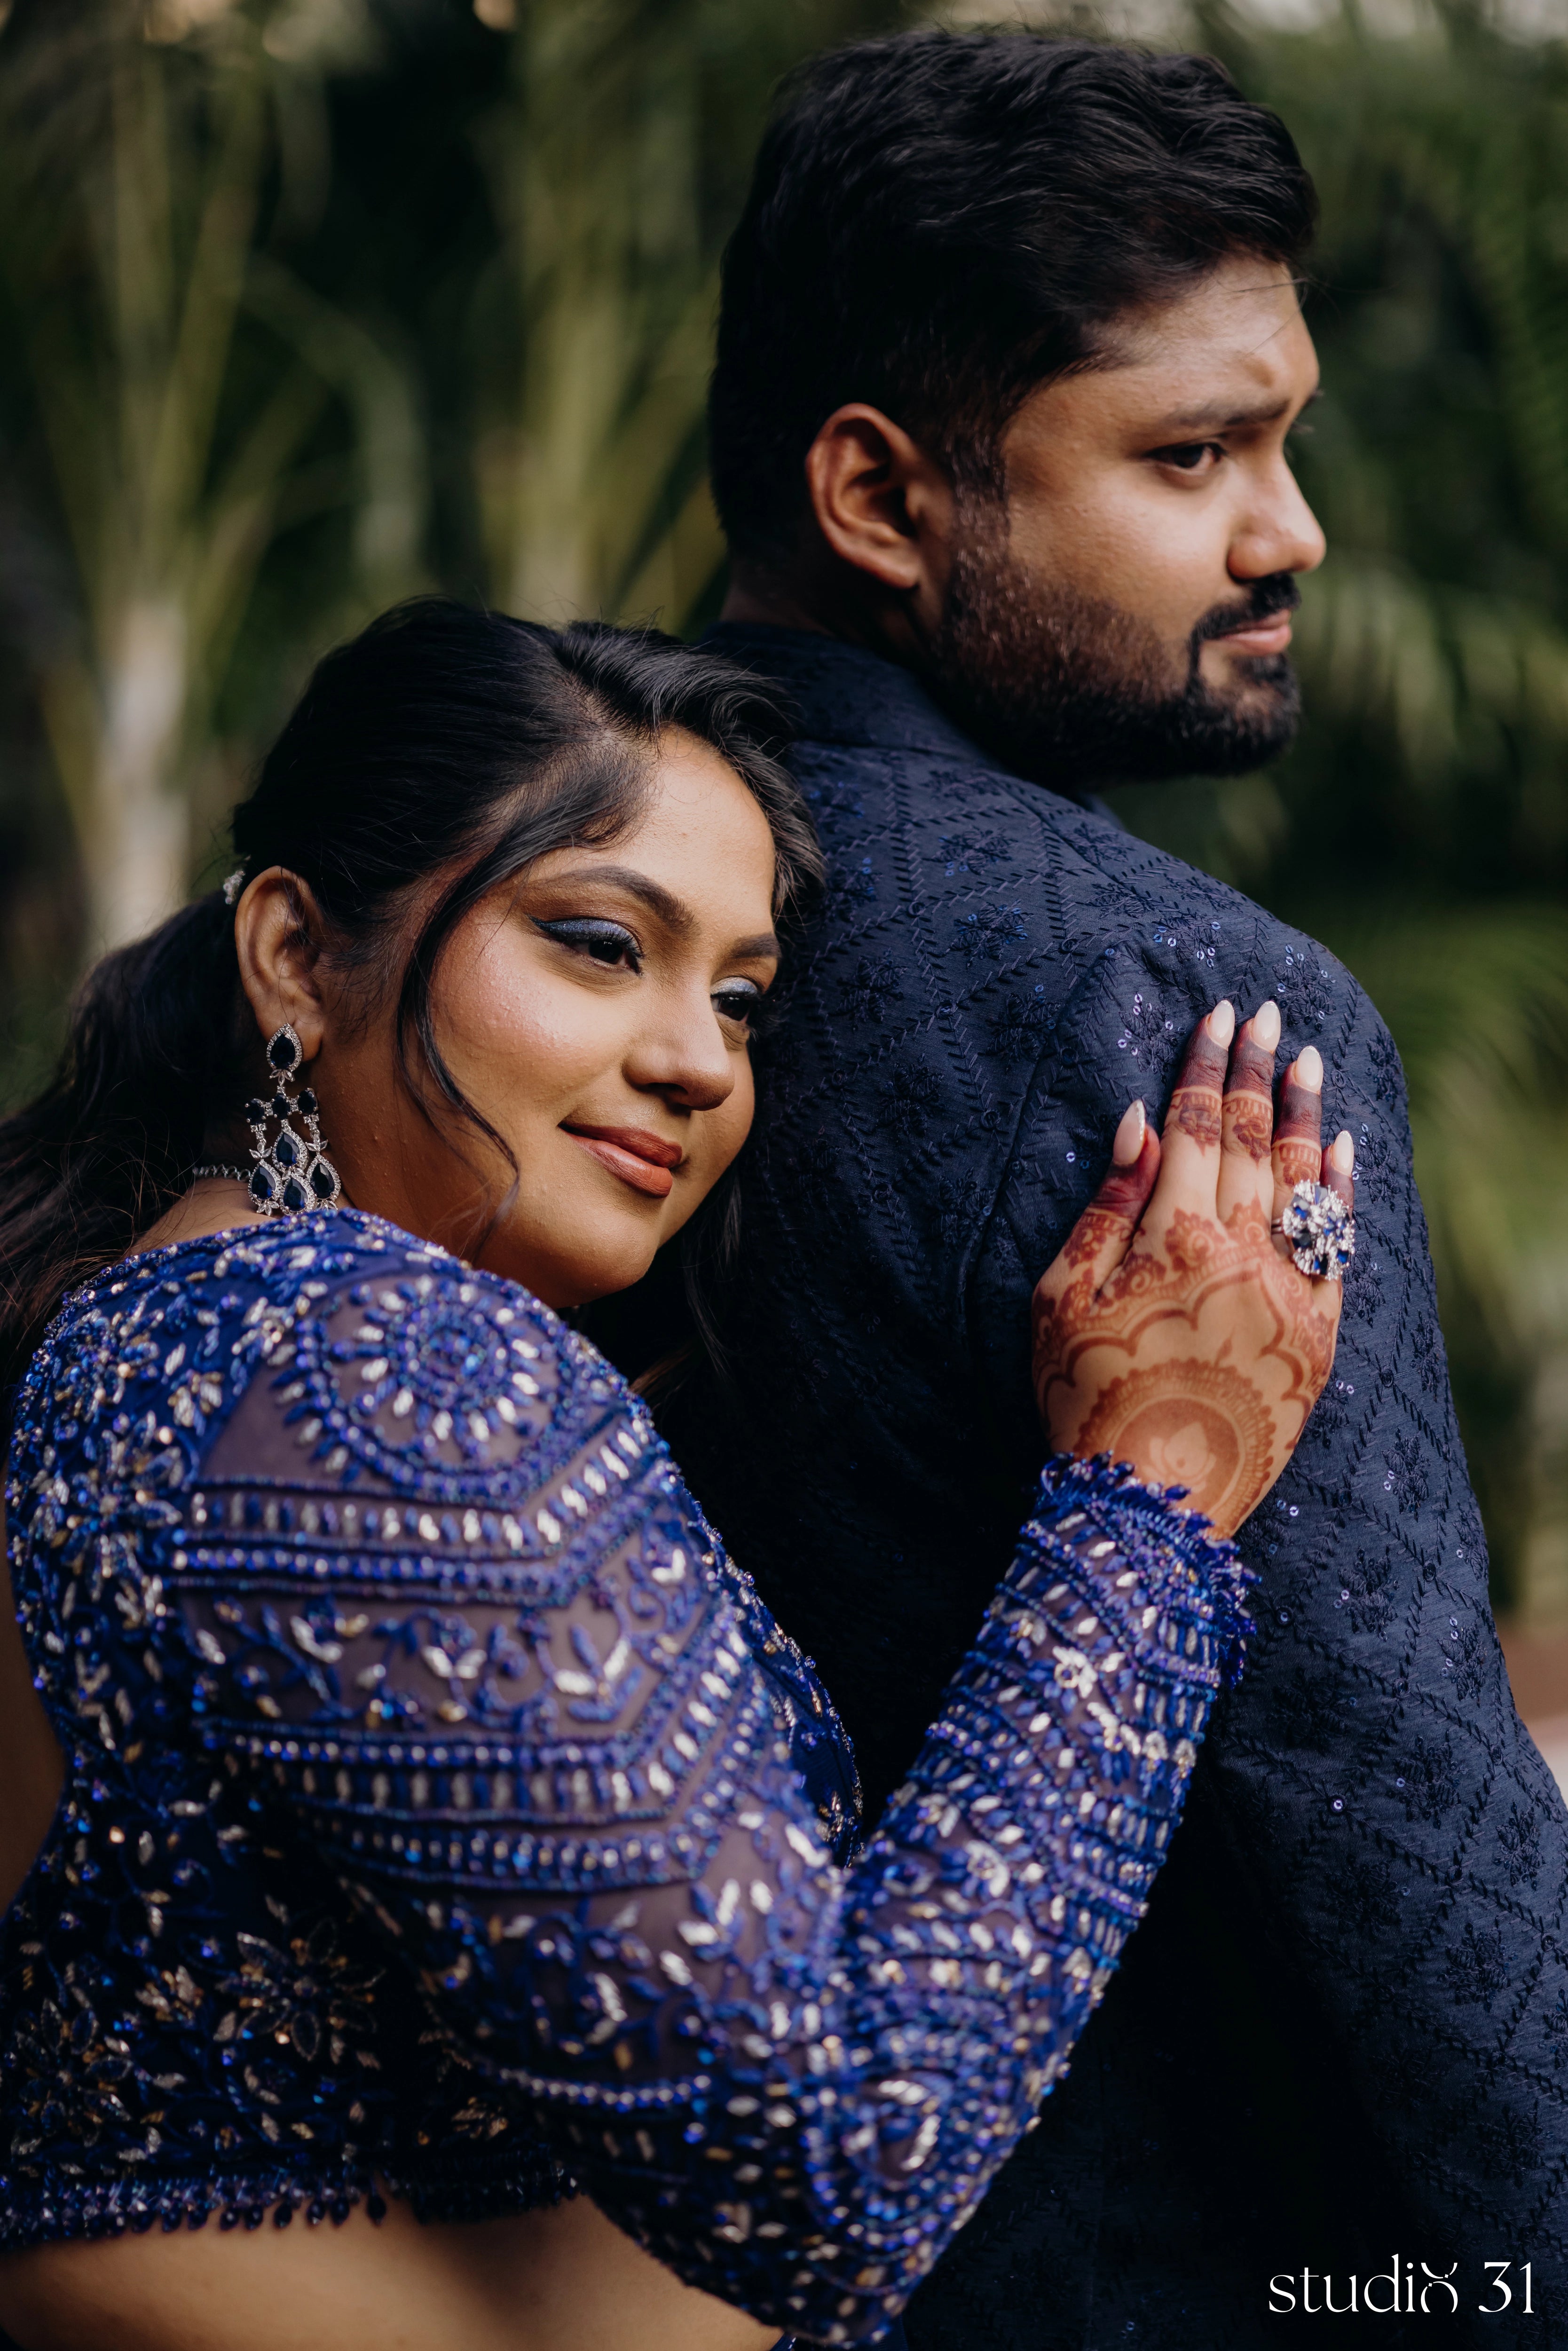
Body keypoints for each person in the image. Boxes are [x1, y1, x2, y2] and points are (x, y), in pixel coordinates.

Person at [0, 601, 1349, 2351]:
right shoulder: (378, 1361)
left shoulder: (129, 1337)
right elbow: (837, 2165)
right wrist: (1149, 1509)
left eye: (740, 998)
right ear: (291, 954)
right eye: (594, 942)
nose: (700, 1060)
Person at [641, 27, 1568, 2346]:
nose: (1295, 529)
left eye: (1288, 434)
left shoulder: (478, 905)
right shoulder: (1178, 1017)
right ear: (880, 494)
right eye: (1195, 452)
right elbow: (1403, 1840)